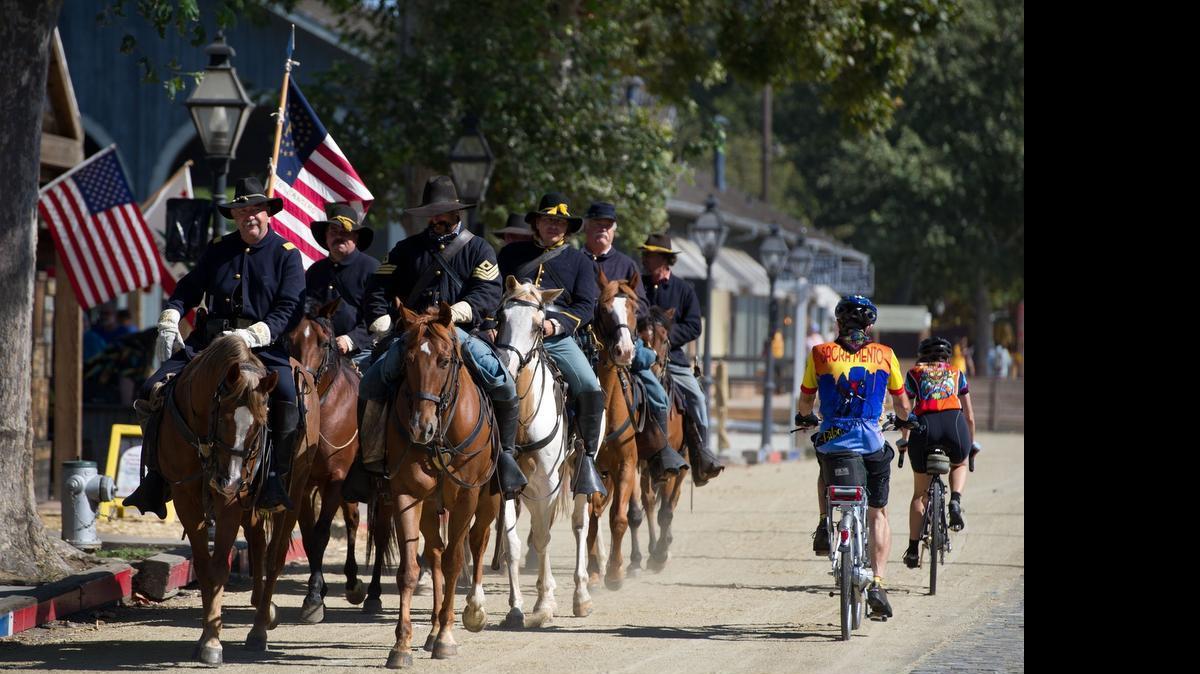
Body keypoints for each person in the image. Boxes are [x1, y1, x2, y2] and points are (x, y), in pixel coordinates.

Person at [123, 177, 306, 517]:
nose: (249, 216)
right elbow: (189, 287)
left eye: (255, 209)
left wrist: (254, 335)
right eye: (242, 211)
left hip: (261, 347)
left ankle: (273, 479)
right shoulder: (219, 249)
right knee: (152, 388)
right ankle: (156, 477)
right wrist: (171, 313)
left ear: (268, 213)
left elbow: (290, 307)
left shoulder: (287, 256)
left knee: (286, 397)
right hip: (209, 344)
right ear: (235, 216)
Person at [359, 176, 526, 498]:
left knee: (502, 382)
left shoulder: (478, 248)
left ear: (457, 213)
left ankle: (505, 457)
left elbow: (487, 292)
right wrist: (380, 320)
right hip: (414, 334)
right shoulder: (404, 250)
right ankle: (370, 459)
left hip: (458, 332)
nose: (438, 219)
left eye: (444, 213)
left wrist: (458, 312)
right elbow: (377, 289)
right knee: (370, 384)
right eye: (432, 214)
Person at [794, 295, 913, 618]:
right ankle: (877, 581)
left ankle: (823, 523)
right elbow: (902, 404)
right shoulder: (886, 356)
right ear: (869, 326)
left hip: (834, 442)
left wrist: (804, 417)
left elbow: (806, 400)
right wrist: (905, 421)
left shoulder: (819, 354)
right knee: (878, 512)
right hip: (872, 442)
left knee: (823, 459)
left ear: (838, 323)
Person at [496, 192, 606, 497]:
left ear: (567, 228)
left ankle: (587, 461)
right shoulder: (510, 256)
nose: (553, 226)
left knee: (589, 386)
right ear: (537, 223)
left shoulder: (580, 262)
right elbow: (495, 295)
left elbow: (585, 306)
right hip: (512, 334)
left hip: (555, 336)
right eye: (548, 220)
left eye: (559, 222)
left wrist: (554, 324)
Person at [581, 202, 686, 481]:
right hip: (583, 339)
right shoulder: (575, 260)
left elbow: (640, 308)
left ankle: (661, 449)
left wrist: (621, 315)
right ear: (587, 228)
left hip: (623, 338)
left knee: (655, 388)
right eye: (596, 225)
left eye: (607, 226)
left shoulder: (626, 264)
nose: (601, 230)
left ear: (613, 231)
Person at [639, 233, 723, 484]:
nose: (645, 258)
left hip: (672, 358)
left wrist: (664, 339)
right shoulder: (638, 285)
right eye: (645, 254)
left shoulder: (684, 289)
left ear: (665, 259)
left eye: (650, 254)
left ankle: (702, 454)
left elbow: (694, 326)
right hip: (638, 356)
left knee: (697, 397)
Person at [898, 337, 977, 569]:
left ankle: (913, 549)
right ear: (947, 357)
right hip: (954, 425)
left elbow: (905, 410)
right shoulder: (957, 372)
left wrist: (904, 441)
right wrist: (970, 443)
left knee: (919, 494)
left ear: (921, 355)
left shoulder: (914, 373)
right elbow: (969, 415)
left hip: (924, 428)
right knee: (960, 463)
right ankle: (955, 500)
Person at [305, 203, 379, 369]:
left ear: (356, 237)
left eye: (345, 232)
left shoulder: (372, 269)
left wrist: (350, 340)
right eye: (333, 231)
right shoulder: (315, 271)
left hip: (361, 352)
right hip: (318, 350)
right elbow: (307, 312)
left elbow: (377, 317)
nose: (339, 236)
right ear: (326, 237)